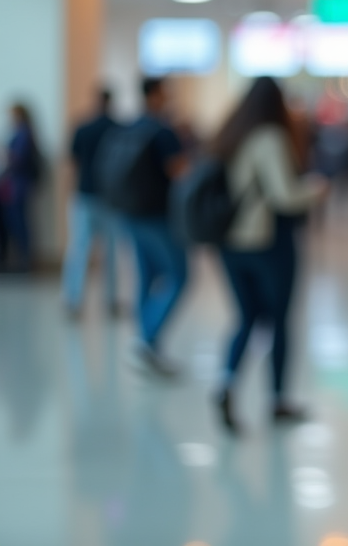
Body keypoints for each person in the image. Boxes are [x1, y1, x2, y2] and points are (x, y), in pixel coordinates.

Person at [209, 77, 326, 432]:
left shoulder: (229, 134)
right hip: (267, 241)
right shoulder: (271, 138)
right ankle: (277, 400)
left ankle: (227, 383)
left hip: (228, 240)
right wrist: (317, 189)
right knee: (279, 320)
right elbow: (284, 195)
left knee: (246, 317)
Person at [121, 77, 189, 376]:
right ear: (156, 94)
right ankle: (146, 342)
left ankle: (145, 343)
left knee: (146, 277)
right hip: (158, 215)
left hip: (130, 212)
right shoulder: (163, 130)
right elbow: (179, 171)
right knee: (180, 275)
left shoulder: (130, 127)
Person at [61, 89, 120, 317]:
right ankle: (111, 300)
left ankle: (73, 299)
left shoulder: (83, 128)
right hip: (110, 198)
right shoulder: (117, 129)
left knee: (79, 249)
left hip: (84, 194)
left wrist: (70, 191)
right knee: (110, 251)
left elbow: (73, 163)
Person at [0, 103, 42, 274]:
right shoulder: (23, 132)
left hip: (18, 186)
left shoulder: (24, 133)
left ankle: (24, 262)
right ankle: (18, 260)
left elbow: (18, 159)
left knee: (19, 224)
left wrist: (6, 154)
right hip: (15, 185)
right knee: (15, 223)